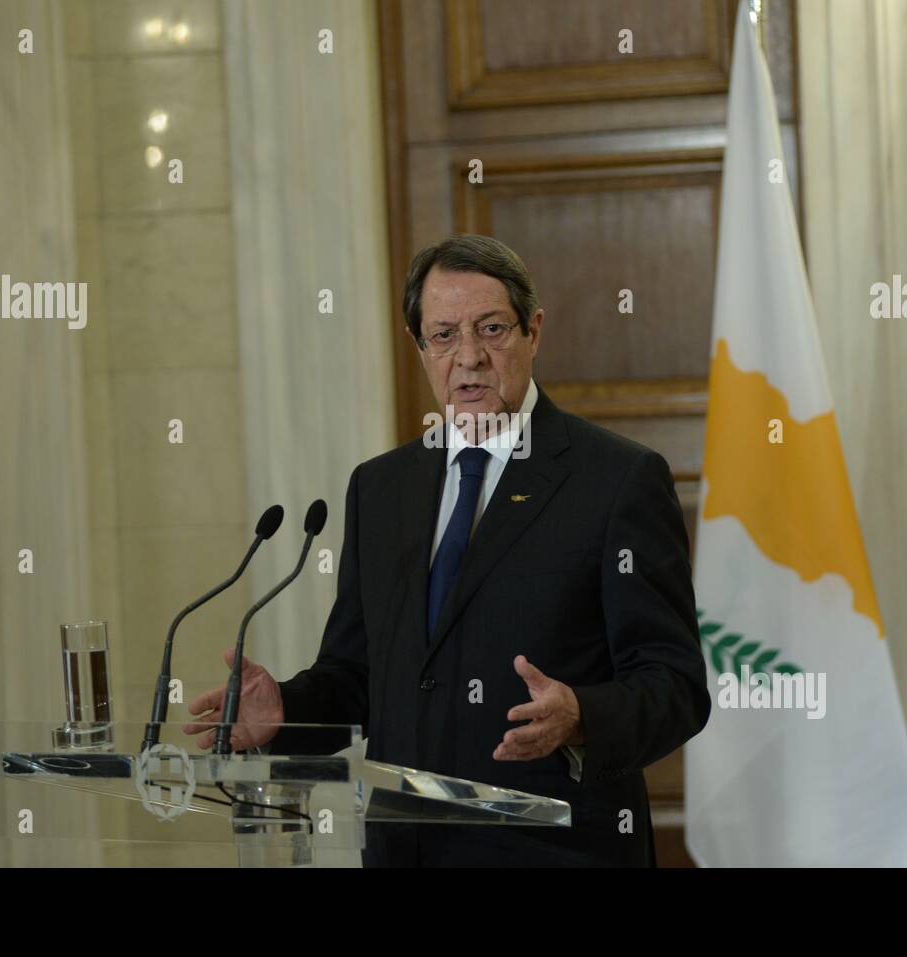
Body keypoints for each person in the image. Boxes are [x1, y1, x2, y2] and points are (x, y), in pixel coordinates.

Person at [187, 234, 710, 866]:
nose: (469, 358)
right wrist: (287, 710)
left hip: (554, 850)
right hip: (404, 849)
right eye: (443, 335)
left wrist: (581, 716)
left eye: (491, 329)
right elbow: (358, 675)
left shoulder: (616, 480)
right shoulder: (380, 488)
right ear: (420, 347)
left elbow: (675, 685)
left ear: (533, 331)